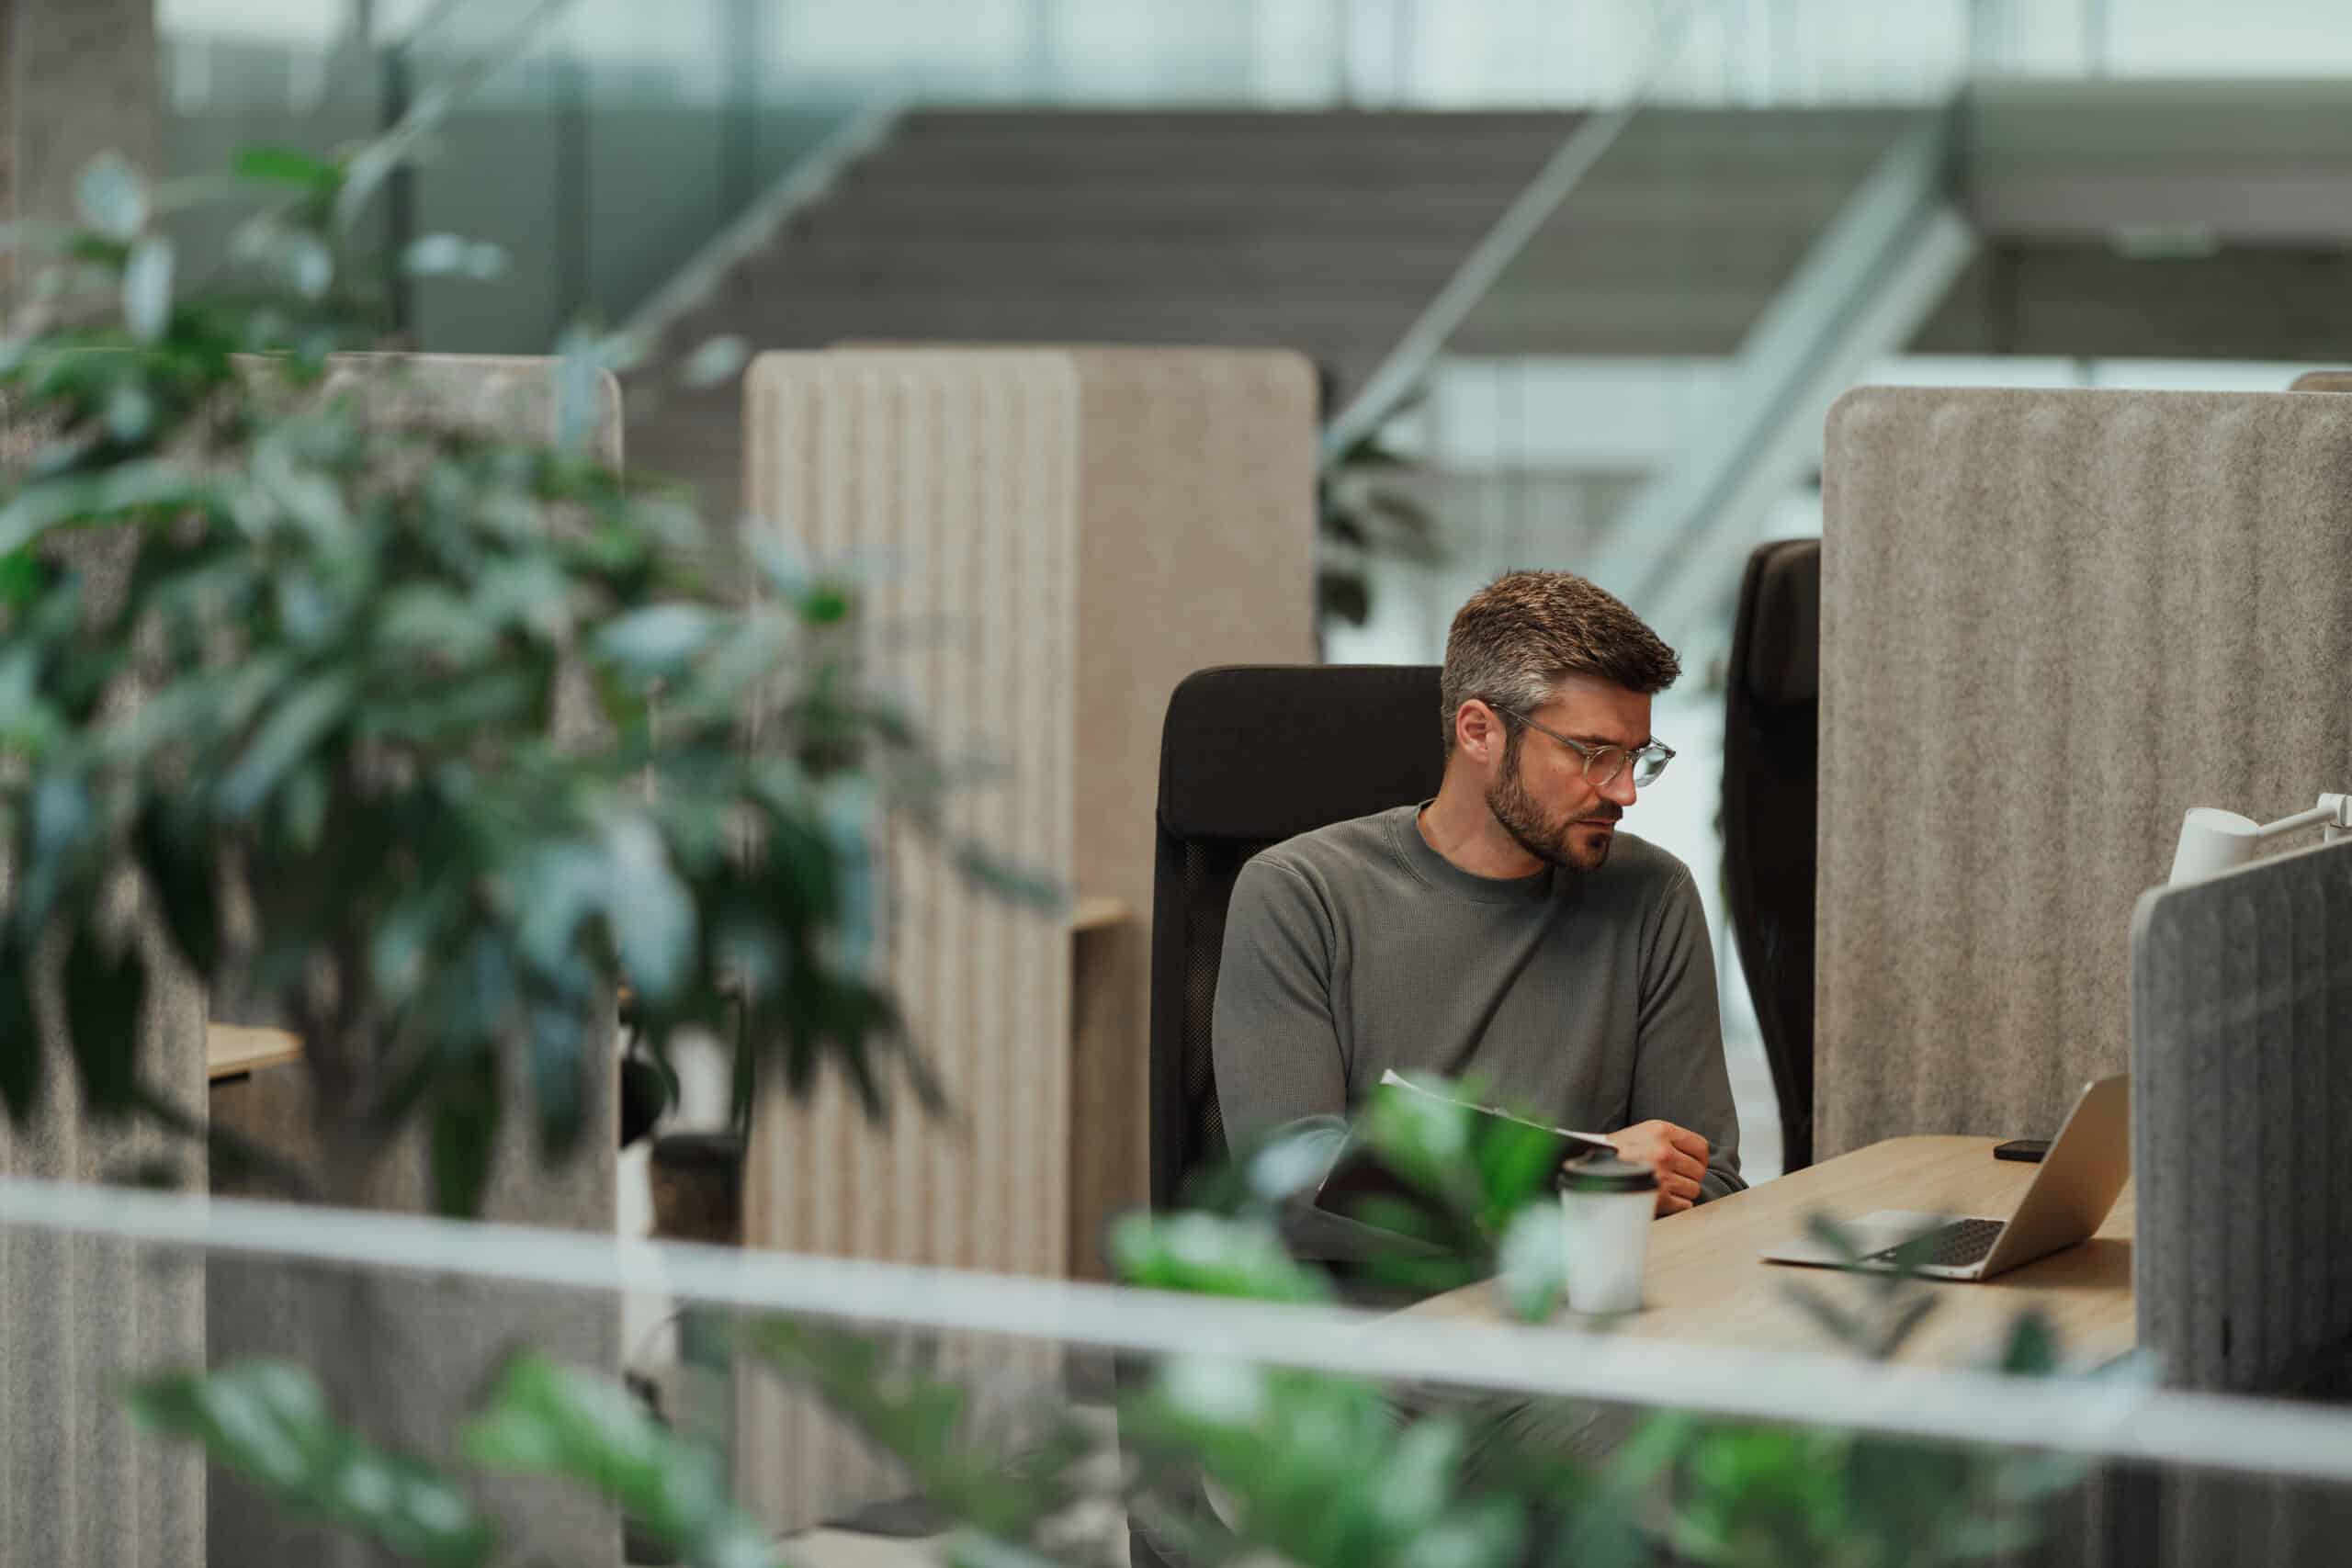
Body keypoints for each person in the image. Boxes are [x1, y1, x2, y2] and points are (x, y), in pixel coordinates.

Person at [1213, 570, 1744, 1262]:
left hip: (1583, 1332)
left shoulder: (1653, 896)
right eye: (1593, 754)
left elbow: (1708, 1182)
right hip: (1374, 1340)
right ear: (1479, 731)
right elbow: (1293, 1190)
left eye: (1638, 757)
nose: (1622, 792)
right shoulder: (1298, 895)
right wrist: (1581, 1178)